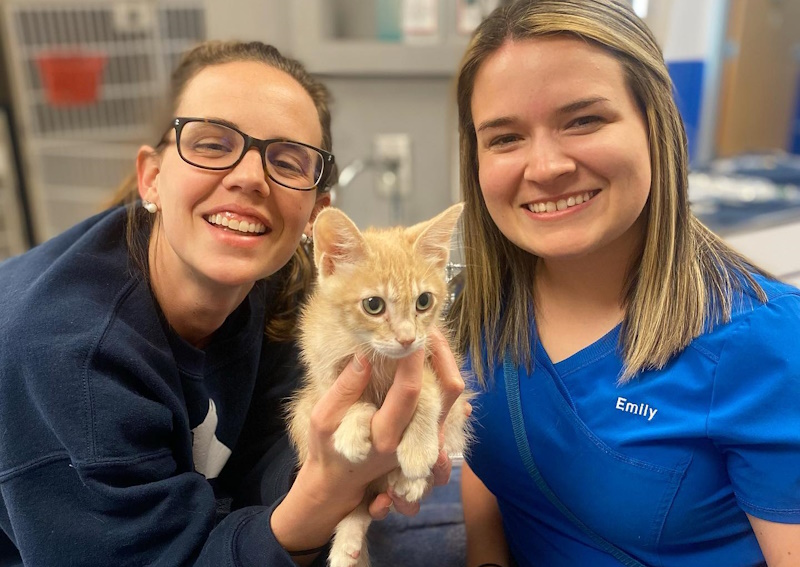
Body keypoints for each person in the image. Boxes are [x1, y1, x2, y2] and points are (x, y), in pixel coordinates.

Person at [0, 40, 464, 566]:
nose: (248, 177)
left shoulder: (282, 283)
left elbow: (275, 447)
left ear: (315, 215)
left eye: (286, 161)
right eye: (212, 144)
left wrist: (350, 460)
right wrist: (322, 499)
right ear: (152, 177)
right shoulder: (66, 357)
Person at [448, 1, 800, 566]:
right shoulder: (484, 309)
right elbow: (495, 451)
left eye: (583, 120)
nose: (545, 167)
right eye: (506, 137)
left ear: (656, 126)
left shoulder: (766, 342)